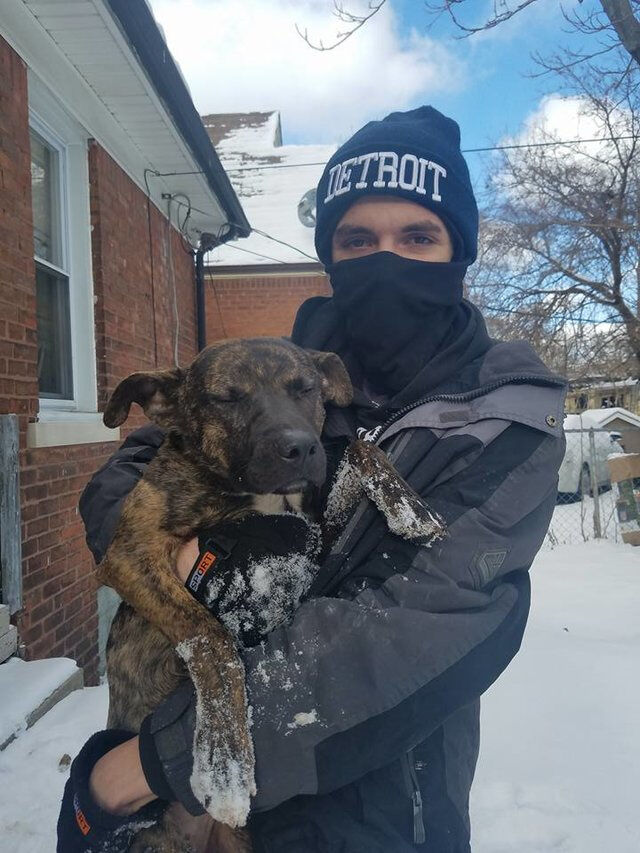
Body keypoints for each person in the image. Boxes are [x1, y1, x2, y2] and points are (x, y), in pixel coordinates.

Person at [57, 106, 566, 852]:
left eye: (417, 236)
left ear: (460, 251)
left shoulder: (505, 416)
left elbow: (404, 636)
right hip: (208, 802)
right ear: (330, 253)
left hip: (376, 818)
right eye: (357, 239)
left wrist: (144, 768)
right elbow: (130, 468)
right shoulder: (276, 368)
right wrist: (161, 541)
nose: (385, 258)